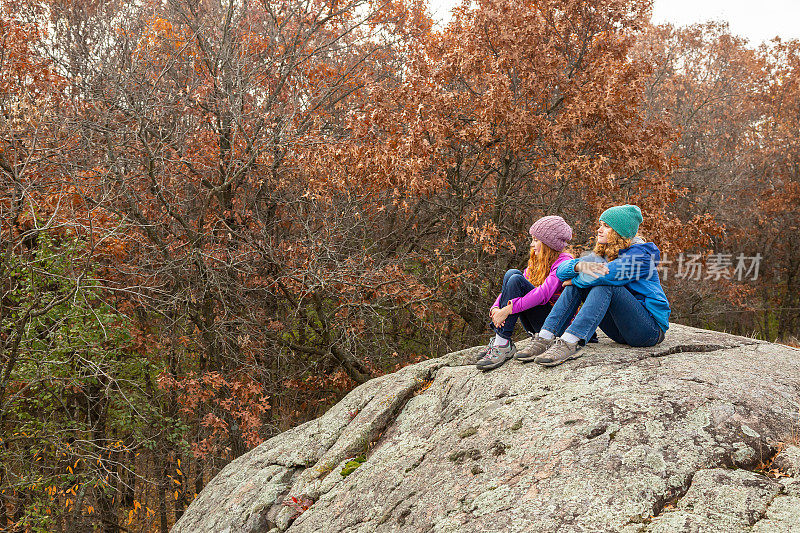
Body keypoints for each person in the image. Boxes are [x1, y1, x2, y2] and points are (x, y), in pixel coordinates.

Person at [522, 204, 670, 367]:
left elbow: (607, 274)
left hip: (648, 331)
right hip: (619, 331)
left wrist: (575, 279)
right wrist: (578, 267)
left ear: (619, 232)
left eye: (606, 226)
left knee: (604, 285)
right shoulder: (605, 254)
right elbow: (561, 272)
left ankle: (570, 342)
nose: (599, 229)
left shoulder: (641, 257)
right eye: (600, 225)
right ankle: (545, 337)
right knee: (579, 284)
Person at [476, 216, 574, 371]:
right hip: (537, 324)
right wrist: (495, 309)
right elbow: (512, 288)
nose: (532, 244)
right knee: (512, 275)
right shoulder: (538, 261)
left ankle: (502, 344)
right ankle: (501, 340)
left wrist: (508, 309)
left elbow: (543, 295)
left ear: (548, 243)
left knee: (515, 279)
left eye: (536, 240)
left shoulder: (564, 263)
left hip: (557, 327)